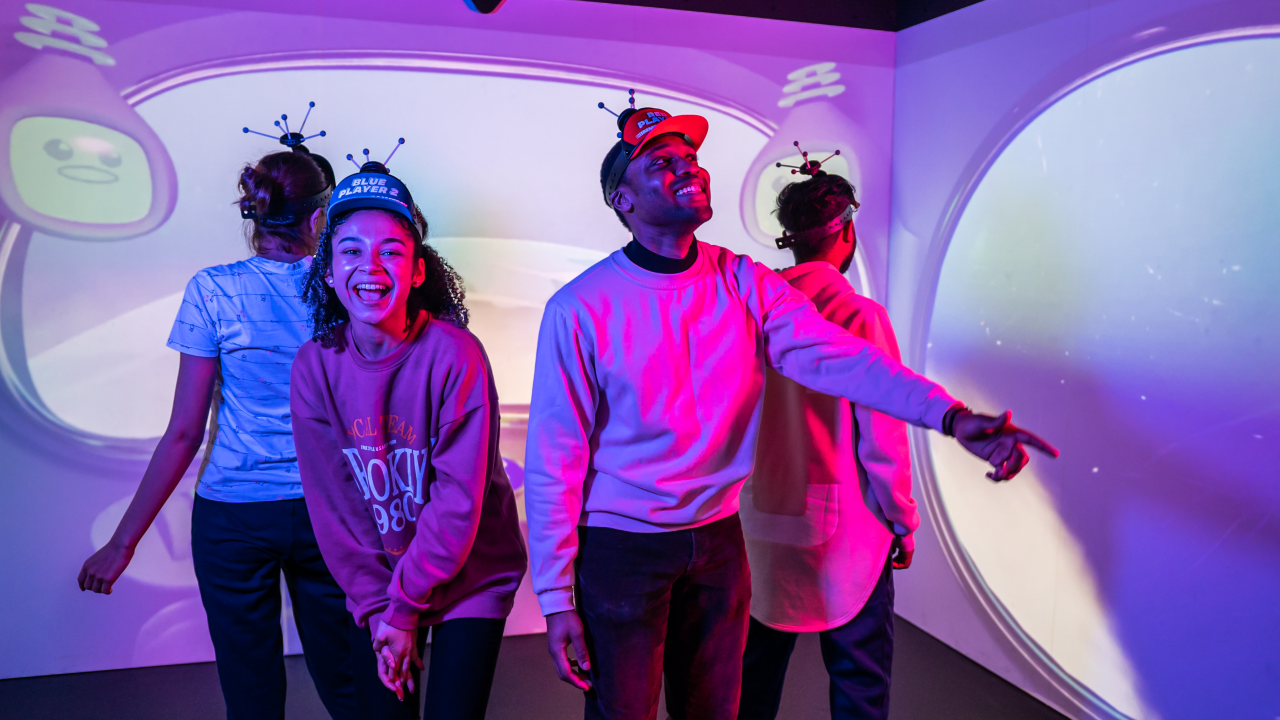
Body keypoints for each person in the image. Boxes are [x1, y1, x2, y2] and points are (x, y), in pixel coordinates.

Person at [524, 102, 1059, 720]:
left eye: (692, 158)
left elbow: (843, 359)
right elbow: (554, 460)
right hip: (622, 544)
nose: (688, 170)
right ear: (623, 200)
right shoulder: (580, 307)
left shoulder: (743, 282)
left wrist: (952, 417)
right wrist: (556, 595)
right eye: (662, 163)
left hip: (720, 540)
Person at [77, 147, 358, 720]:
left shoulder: (213, 290)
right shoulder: (343, 286)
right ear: (317, 218)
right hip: (326, 510)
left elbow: (184, 433)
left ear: (255, 213)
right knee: (351, 682)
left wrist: (122, 542)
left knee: (249, 692)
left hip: (233, 516)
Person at [291, 157, 527, 720]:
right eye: (350, 250)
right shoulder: (314, 367)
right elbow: (336, 509)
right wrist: (380, 607)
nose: (369, 266)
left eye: (391, 250)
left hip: (471, 574)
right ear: (327, 271)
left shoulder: (455, 355)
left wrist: (404, 609)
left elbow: (458, 501)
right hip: (379, 581)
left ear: (417, 270)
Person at [737, 171, 914, 720]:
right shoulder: (859, 317)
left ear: (790, 234)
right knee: (858, 684)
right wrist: (902, 520)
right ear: (846, 230)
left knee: (749, 684)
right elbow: (883, 435)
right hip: (848, 535)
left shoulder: (751, 314)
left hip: (757, 525)